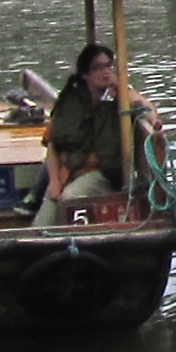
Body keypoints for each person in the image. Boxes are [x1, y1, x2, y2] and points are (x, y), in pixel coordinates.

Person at [42, 41, 163, 225]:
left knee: (71, 198)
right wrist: (54, 181)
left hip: (102, 174)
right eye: (98, 68)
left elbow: (145, 107)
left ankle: (69, 244)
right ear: (85, 74)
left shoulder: (119, 100)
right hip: (68, 171)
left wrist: (153, 121)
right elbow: (52, 145)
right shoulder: (70, 103)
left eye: (108, 66)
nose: (106, 72)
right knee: (41, 222)